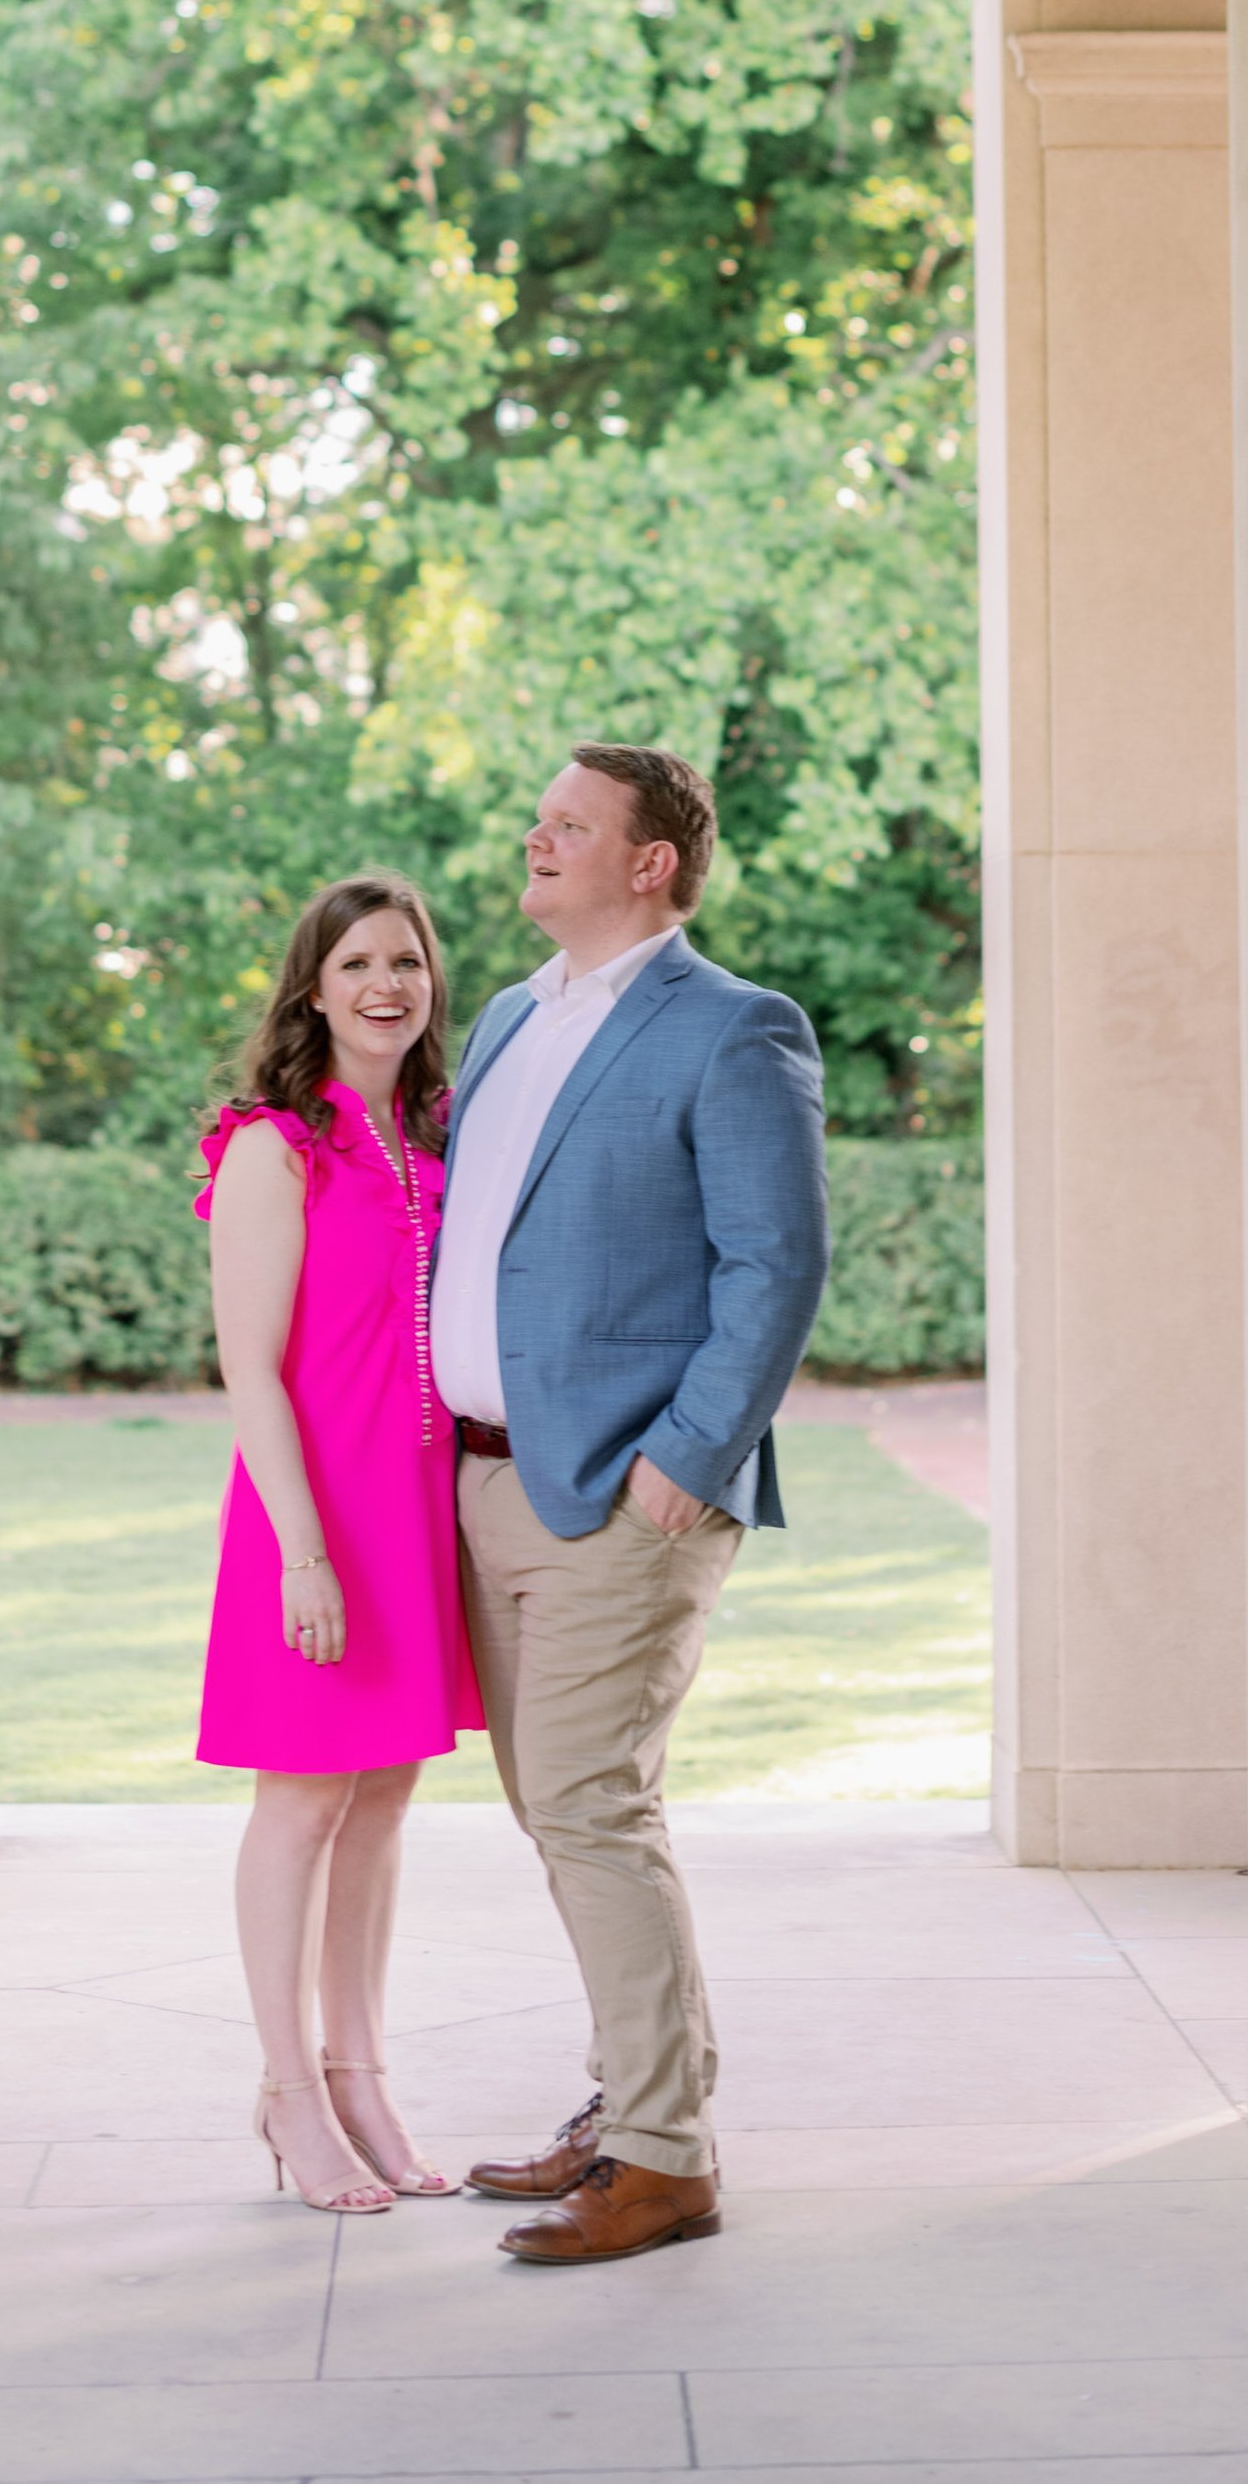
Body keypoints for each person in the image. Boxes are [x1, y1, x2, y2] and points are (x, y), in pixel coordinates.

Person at [433, 744, 830, 2263]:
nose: (534, 836)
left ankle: (667, 2155)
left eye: (570, 823)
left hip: (626, 1487)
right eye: (537, 815)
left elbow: (774, 1263)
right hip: (481, 1477)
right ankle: (631, 2105)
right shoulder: (510, 1016)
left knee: (593, 1799)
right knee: (560, 1805)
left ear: (651, 860)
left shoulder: (736, 1029)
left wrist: (692, 1451)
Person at [196, 874, 483, 2213]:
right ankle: (287, 2092)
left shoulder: (434, 1138)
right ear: (313, 986)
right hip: (312, 1514)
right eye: (359, 960)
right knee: (302, 1798)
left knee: (381, 1800)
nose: (388, 983)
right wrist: (302, 1552)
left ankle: (360, 2069)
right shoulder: (274, 1143)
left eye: (409, 960)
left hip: (417, 1506)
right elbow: (252, 1369)